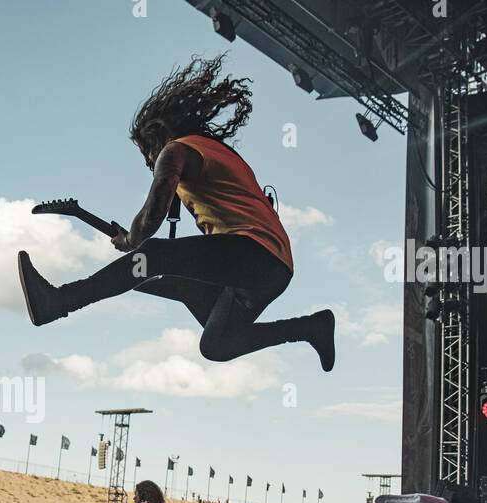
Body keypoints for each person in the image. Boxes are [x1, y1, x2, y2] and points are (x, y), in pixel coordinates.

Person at [17, 54, 335, 372]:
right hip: (272, 270)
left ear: (156, 138)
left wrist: (133, 239)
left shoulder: (177, 150)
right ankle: (310, 327)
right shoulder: (213, 153)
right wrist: (131, 262)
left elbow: (152, 217)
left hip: (257, 254)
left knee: (152, 254)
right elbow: (169, 246)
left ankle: (58, 302)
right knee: (216, 344)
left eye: (146, 155)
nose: (147, 164)